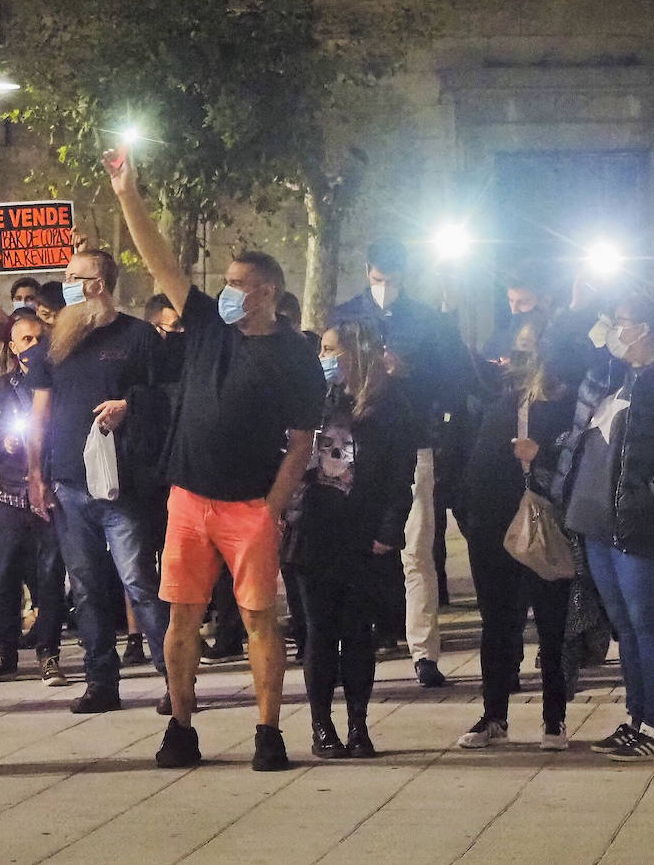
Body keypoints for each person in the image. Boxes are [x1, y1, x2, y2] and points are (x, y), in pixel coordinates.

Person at [107, 151, 324, 770]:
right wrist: (128, 195)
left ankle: (268, 731)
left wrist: (273, 507)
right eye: (224, 282)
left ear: (268, 292)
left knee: (259, 618)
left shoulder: (293, 354)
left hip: (249, 505)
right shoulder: (205, 326)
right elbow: (160, 260)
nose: (225, 291)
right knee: (182, 616)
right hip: (189, 499)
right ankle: (180, 725)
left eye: (237, 284)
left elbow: (303, 437)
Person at [552, 294, 654, 761]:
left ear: (645, 329)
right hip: (599, 520)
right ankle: (636, 716)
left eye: (620, 321)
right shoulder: (612, 373)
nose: (612, 329)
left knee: (649, 624)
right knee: (625, 625)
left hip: (644, 521)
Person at [25, 242, 172, 716]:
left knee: (139, 582)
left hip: (121, 485)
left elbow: (167, 397)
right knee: (86, 587)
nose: (67, 283)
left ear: (98, 285)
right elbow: (40, 413)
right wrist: (36, 473)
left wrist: (130, 407)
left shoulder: (139, 337)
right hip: (69, 483)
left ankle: (174, 676)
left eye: (75, 276)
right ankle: (100, 680)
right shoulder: (56, 342)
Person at [332, 239, 476, 688]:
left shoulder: (428, 320)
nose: (385, 286)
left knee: (417, 551)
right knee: (352, 549)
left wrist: (408, 371)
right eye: (378, 277)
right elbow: (330, 371)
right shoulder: (346, 316)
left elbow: (455, 380)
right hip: (352, 446)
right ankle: (358, 636)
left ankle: (423, 651)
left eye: (392, 278)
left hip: (412, 442)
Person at [289, 319, 414, 760]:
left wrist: (388, 528)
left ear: (356, 354)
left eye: (332, 350)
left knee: (358, 633)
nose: (325, 358)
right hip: (314, 532)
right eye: (321, 349)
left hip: (363, 533)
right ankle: (322, 727)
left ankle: (358, 724)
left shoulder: (389, 406)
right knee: (320, 633)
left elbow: (402, 474)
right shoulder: (313, 400)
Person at [456, 333, 585, 751]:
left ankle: (554, 718)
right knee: (496, 622)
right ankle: (494, 715)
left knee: (549, 622)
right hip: (490, 523)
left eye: (527, 346)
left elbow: (579, 452)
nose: (513, 354)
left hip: (537, 520)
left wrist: (541, 452)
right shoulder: (499, 395)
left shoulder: (560, 400)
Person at [0, 309, 68, 686]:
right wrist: (2, 442)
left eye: (39, 340)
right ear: (12, 347)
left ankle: (49, 653)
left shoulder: (58, 384)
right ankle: (4, 653)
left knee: (49, 574)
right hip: (9, 494)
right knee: (3, 573)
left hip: (48, 493)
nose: (33, 347)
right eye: (25, 340)